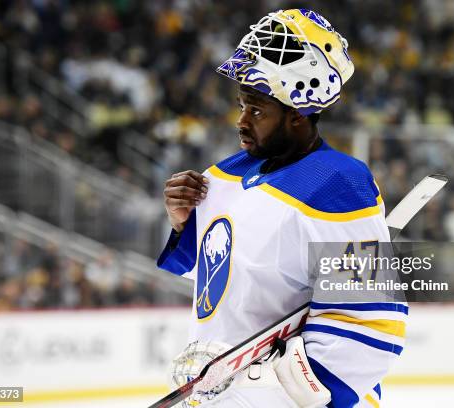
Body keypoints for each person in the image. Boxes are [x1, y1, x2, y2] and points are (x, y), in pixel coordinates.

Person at [158, 9, 406, 407]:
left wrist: (313, 391)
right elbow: (216, 281)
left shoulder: (337, 183)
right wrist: (182, 225)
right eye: (242, 105)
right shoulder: (222, 175)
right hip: (223, 396)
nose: (241, 121)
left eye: (256, 110)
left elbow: (374, 320)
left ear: (297, 115)